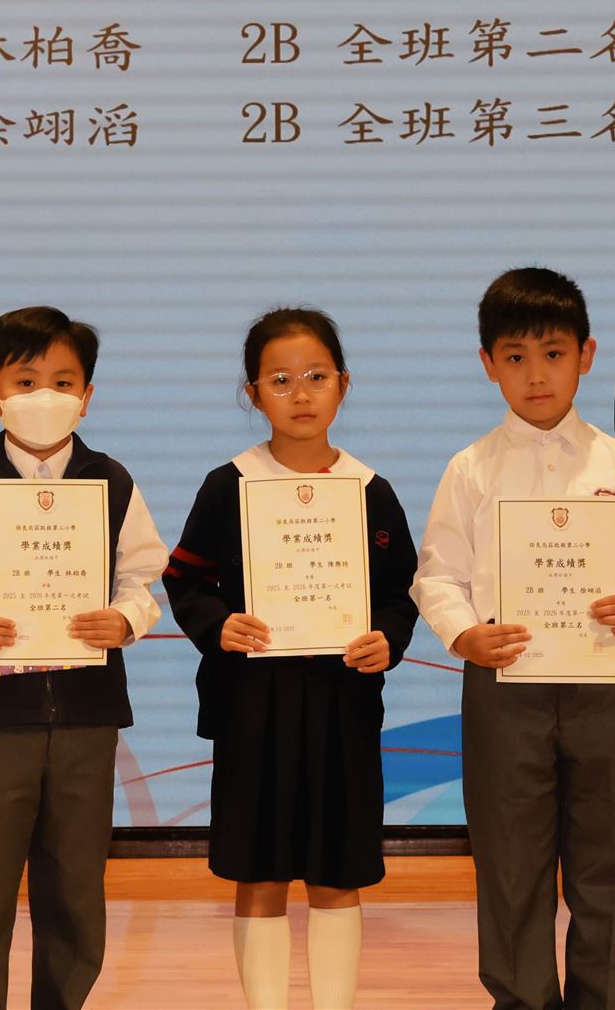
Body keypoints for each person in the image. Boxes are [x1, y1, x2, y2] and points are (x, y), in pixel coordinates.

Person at [411, 267, 615, 1010]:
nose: (536, 375)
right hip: (505, 687)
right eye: (515, 356)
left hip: (606, 684)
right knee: (510, 860)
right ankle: (522, 1000)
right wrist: (465, 634)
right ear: (487, 364)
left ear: (587, 355)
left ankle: (606, 998)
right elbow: (437, 575)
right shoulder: (470, 470)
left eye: (554, 353)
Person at [0, 305, 168, 1010]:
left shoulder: (112, 480)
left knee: (75, 891)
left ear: (87, 396)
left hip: (85, 718)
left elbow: (142, 577)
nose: (46, 396)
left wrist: (125, 618)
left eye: (63, 381)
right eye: (26, 380)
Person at [163, 307, 419, 1010]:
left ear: (343, 384)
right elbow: (185, 579)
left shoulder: (371, 490)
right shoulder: (228, 484)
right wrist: (219, 623)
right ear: (253, 393)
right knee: (261, 870)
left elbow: (402, 594)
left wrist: (388, 639)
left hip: (343, 705)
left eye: (315, 376)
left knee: (338, 871)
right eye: (279, 380)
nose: (299, 393)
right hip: (253, 708)